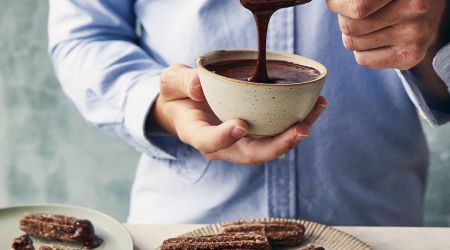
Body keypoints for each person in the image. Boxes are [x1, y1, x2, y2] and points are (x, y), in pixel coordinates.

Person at [48, 0, 450, 225]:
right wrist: (163, 105)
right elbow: (84, 35)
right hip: (187, 220)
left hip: (373, 222)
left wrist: (440, 22)